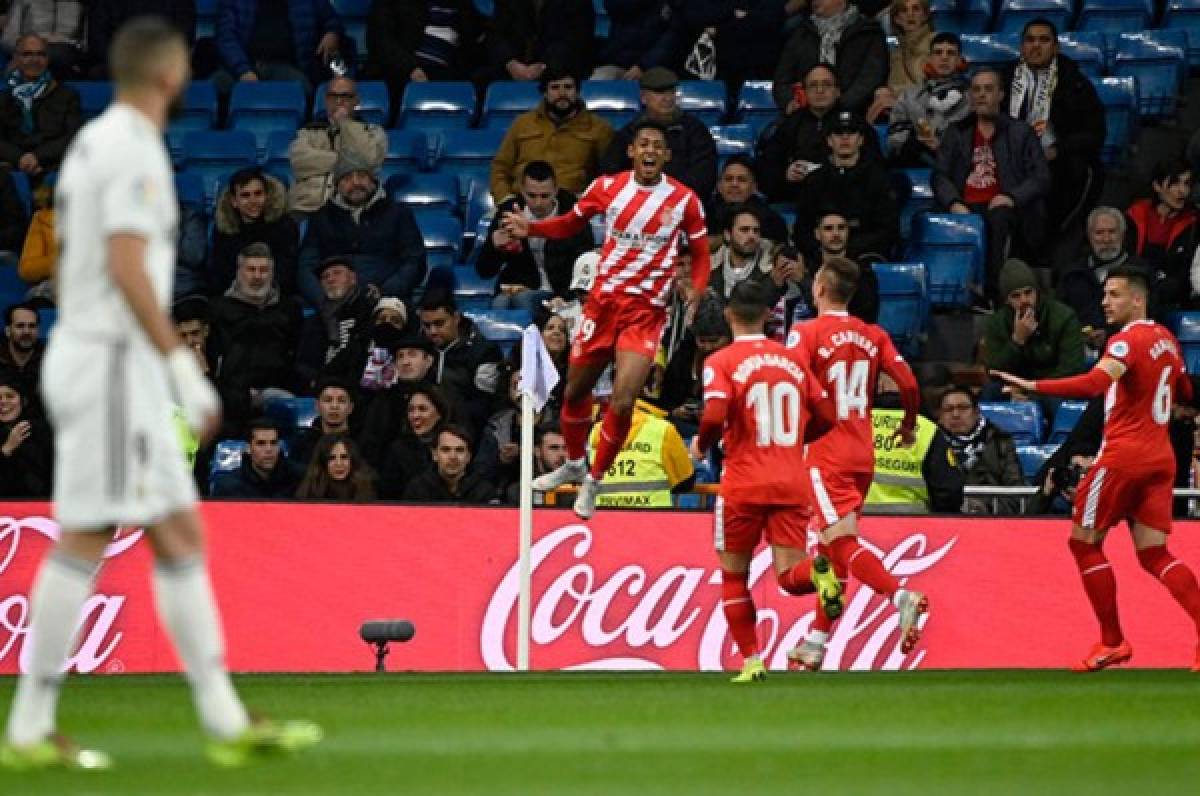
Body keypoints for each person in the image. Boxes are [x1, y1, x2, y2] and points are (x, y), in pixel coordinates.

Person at [0, 18, 320, 772]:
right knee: (88, 537)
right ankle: (32, 724)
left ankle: (222, 715)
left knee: (176, 534)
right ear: (169, 75)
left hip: (101, 359)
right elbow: (125, 263)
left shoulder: (93, 145)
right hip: (110, 363)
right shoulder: (131, 148)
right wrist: (179, 365)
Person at [992, 266, 1200, 672]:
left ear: (1138, 300)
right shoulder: (1168, 342)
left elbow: (1093, 384)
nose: (1106, 301)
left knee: (1084, 543)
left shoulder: (1127, 342)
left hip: (1123, 458)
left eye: (1115, 294)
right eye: (1105, 294)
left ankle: (1113, 641)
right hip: (1160, 459)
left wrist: (1033, 386)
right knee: (1155, 553)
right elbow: (1185, 391)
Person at [502, 119, 712, 519]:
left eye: (658, 146)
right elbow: (570, 223)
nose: (650, 151)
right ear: (632, 151)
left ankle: (594, 482)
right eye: (643, 144)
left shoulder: (684, 200)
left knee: (623, 397)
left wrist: (697, 287)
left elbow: (700, 253)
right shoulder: (607, 187)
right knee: (574, 395)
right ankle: (577, 462)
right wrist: (532, 228)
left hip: (646, 312)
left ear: (665, 156)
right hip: (602, 305)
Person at [689, 280, 843, 683]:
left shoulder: (721, 361)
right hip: (791, 480)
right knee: (791, 577)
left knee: (734, 574)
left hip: (743, 482)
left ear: (728, 314)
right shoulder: (793, 361)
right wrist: (794, 441)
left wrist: (702, 446)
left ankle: (752, 660)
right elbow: (828, 414)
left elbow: (714, 412)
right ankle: (820, 573)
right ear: (768, 316)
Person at [783, 256, 928, 672]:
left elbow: (791, 380)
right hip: (863, 453)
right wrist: (907, 426)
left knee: (842, 544)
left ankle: (900, 596)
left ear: (820, 289)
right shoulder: (874, 335)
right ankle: (816, 642)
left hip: (824, 453)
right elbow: (910, 384)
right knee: (831, 551)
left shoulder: (804, 333)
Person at [934, 68, 1050, 300]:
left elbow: (1041, 177)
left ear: (1001, 95)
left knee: (999, 217)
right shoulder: (956, 132)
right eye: (976, 90)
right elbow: (939, 175)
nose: (981, 95)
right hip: (966, 205)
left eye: (988, 89)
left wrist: (1012, 197)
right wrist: (954, 202)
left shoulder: (1020, 132)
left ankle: (994, 293)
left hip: (1006, 206)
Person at [1002, 18, 1105, 236]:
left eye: (1043, 40)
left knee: (1075, 171)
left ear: (1056, 47)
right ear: (1022, 47)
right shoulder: (1004, 79)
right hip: (1010, 158)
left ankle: (1051, 242)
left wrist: (1058, 149)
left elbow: (1095, 133)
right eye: (1030, 40)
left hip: (1057, 158)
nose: (1036, 46)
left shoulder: (1074, 82)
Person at [296, 152, 427, 307]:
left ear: (373, 180)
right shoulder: (321, 218)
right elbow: (305, 267)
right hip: (333, 304)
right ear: (337, 185)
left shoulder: (398, 213)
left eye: (362, 176)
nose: (356, 182)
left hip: (387, 302)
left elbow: (414, 261)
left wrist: (385, 292)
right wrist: (323, 299)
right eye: (347, 178)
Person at [210, 242, 304, 435]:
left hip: (279, 392)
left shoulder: (289, 309)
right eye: (251, 269)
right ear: (239, 271)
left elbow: (298, 355)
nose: (257, 276)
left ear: (272, 273)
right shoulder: (218, 309)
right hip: (232, 397)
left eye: (263, 270)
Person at [477, 160, 594, 311]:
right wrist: (494, 247)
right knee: (500, 303)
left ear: (556, 191)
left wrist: (566, 295)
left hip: (561, 292)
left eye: (545, 196)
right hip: (519, 287)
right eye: (531, 195)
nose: (538, 203)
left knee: (522, 301)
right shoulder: (508, 213)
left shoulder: (574, 214)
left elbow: (584, 263)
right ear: (521, 190)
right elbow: (484, 271)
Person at [758, 63, 883, 204]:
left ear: (838, 91)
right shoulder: (789, 125)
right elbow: (767, 169)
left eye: (826, 84)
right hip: (798, 199)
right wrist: (785, 175)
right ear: (804, 92)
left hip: (846, 199)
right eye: (813, 85)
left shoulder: (857, 125)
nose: (819, 90)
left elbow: (875, 168)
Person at [489, 67, 612, 203]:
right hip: (521, 202)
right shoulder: (522, 123)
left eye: (568, 87)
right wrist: (505, 199)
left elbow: (610, 176)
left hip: (572, 206)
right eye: (554, 87)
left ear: (577, 92)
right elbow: (500, 167)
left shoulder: (599, 128)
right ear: (545, 93)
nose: (562, 93)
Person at [792, 110, 900, 262]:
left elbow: (888, 229)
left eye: (851, 132)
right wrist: (822, 251)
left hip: (865, 257)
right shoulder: (814, 181)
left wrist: (848, 250)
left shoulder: (879, 179)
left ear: (861, 140)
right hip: (821, 258)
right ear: (829, 140)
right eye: (838, 133)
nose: (845, 138)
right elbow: (802, 229)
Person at [598, 67, 717, 200]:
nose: (668, 98)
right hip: (636, 205)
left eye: (671, 92)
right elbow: (611, 173)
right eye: (660, 92)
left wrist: (662, 195)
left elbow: (704, 177)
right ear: (643, 97)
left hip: (681, 204)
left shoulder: (696, 131)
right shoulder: (629, 133)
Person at [982, 258, 1086, 405]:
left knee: (1057, 398)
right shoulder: (996, 323)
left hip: (1052, 386)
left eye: (1028, 292)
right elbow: (993, 371)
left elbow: (1071, 369)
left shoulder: (1063, 317)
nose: (1024, 300)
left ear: (1037, 292)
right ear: (1006, 300)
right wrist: (1017, 341)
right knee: (990, 391)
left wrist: (1030, 390)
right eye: (1016, 296)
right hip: (1014, 386)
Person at [288, 76, 387, 217]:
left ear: (356, 101)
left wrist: (345, 124)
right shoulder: (307, 132)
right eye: (333, 96)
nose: (339, 102)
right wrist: (347, 162)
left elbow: (369, 160)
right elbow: (299, 162)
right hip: (308, 208)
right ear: (326, 100)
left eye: (345, 96)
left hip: (355, 210)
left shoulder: (373, 132)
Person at [363, 0, 481, 118]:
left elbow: (476, 41)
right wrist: (410, 68)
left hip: (446, 74)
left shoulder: (463, 5)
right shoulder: (390, 4)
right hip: (400, 72)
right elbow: (381, 42)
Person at [773, 0, 888, 116]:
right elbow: (782, 81)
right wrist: (790, 102)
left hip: (853, 117)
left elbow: (869, 79)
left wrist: (834, 106)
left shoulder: (868, 32)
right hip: (804, 116)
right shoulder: (801, 34)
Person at [1058, 207, 1150, 352]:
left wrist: (1109, 334)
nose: (1106, 239)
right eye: (1099, 233)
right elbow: (1060, 316)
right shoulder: (1072, 274)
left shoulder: (1141, 272)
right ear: (1089, 236)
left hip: (1129, 348)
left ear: (1122, 234)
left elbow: (1150, 316)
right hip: (1076, 350)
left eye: (1112, 232)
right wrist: (1079, 335)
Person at [924, 385, 1025, 514]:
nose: (955, 415)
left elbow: (1016, 494)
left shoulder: (1000, 442)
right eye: (949, 409)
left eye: (963, 408)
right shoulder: (929, 444)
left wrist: (985, 508)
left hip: (991, 522)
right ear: (939, 415)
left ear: (976, 411)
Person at [212, 0, 347, 95]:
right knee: (215, 87)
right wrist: (243, 70)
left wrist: (332, 32)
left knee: (302, 89)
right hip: (240, 66)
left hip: (286, 65)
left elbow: (332, 20)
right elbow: (225, 37)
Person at [417, 290, 503, 434]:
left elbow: (484, 405)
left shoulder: (484, 351)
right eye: (427, 325)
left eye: (439, 324)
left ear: (456, 318)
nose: (432, 331)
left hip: (466, 430)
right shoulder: (419, 348)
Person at [0, 32, 81, 178]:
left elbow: (72, 136)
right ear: (16, 59)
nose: (34, 60)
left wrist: (38, 157)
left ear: (47, 59)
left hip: (53, 165)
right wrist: (19, 158)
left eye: (40, 54)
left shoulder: (67, 96)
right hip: (12, 167)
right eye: (27, 54)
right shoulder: (3, 98)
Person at [209, 167, 300, 297]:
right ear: (234, 201)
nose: (253, 201)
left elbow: (286, 272)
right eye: (245, 195)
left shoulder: (284, 225)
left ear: (266, 195)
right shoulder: (224, 229)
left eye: (258, 194)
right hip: (233, 297)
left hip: (275, 297)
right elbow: (220, 273)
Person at [294, 255, 379, 391]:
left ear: (353, 278)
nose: (331, 279)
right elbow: (304, 364)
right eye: (325, 277)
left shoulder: (370, 312)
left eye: (337, 273)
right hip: (325, 389)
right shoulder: (314, 322)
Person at [886, 31, 969, 169]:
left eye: (950, 53)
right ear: (929, 59)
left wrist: (940, 146)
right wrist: (915, 141)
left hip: (955, 165)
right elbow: (895, 136)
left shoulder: (971, 98)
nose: (944, 58)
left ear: (959, 60)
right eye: (938, 52)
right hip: (913, 159)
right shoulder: (909, 96)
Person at [1125, 157, 1198, 313]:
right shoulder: (1135, 215)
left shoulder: (1194, 224)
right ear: (1157, 186)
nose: (1182, 191)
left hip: (1172, 300)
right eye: (1175, 183)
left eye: (1187, 184)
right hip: (1134, 290)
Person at [480, 0, 594, 86]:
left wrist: (543, 66)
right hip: (512, 69)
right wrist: (510, 63)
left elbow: (577, 40)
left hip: (561, 68)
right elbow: (495, 35)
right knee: (480, 78)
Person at [707, 205, 798, 307]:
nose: (752, 236)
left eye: (756, 231)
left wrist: (773, 286)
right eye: (744, 230)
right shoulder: (709, 268)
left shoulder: (775, 267)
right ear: (728, 235)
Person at [377, 383, 451, 498]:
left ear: (439, 413)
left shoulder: (455, 443)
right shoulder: (398, 450)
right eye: (411, 410)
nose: (415, 416)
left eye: (422, 409)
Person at [869, 0, 933, 123]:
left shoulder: (936, 43)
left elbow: (927, 84)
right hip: (902, 106)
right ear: (897, 19)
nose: (910, 14)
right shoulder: (896, 52)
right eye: (904, 10)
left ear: (925, 15)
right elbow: (893, 85)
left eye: (916, 9)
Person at [703, 156, 789, 245]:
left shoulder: (771, 221)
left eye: (742, 180)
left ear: (754, 187)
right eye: (728, 179)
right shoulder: (703, 214)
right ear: (719, 186)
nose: (734, 184)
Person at [402, 424, 496, 504]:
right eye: (446, 450)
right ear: (434, 454)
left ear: (468, 457)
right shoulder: (417, 489)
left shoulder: (484, 491)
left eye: (459, 450)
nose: (453, 457)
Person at [209, 417, 300, 499]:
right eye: (261, 443)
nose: (269, 449)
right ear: (248, 448)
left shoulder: (298, 481)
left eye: (273, 443)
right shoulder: (228, 487)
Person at [0, 371, 52, 497]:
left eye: (10, 396)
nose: (3, 402)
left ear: (23, 400)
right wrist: (7, 448)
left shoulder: (43, 431)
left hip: (42, 509)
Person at [590, 0, 670, 80]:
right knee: (597, 82)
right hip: (619, 62)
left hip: (660, 66)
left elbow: (671, 39)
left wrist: (643, 66)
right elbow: (612, 6)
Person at [291, 376, 355, 468]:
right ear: (317, 406)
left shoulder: (361, 443)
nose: (334, 406)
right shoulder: (302, 444)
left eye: (341, 401)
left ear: (350, 408)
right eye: (328, 400)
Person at [294, 432, 376, 502]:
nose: (339, 463)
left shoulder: (366, 490)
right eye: (331, 458)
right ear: (322, 462)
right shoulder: (309, 491)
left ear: (353, 461)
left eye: (344, 457)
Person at [0, 300, 43, 389]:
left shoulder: (49, 359)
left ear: (38, 331)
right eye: (20, 326)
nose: (26, 331)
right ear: (8, 331)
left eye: (32, 326)